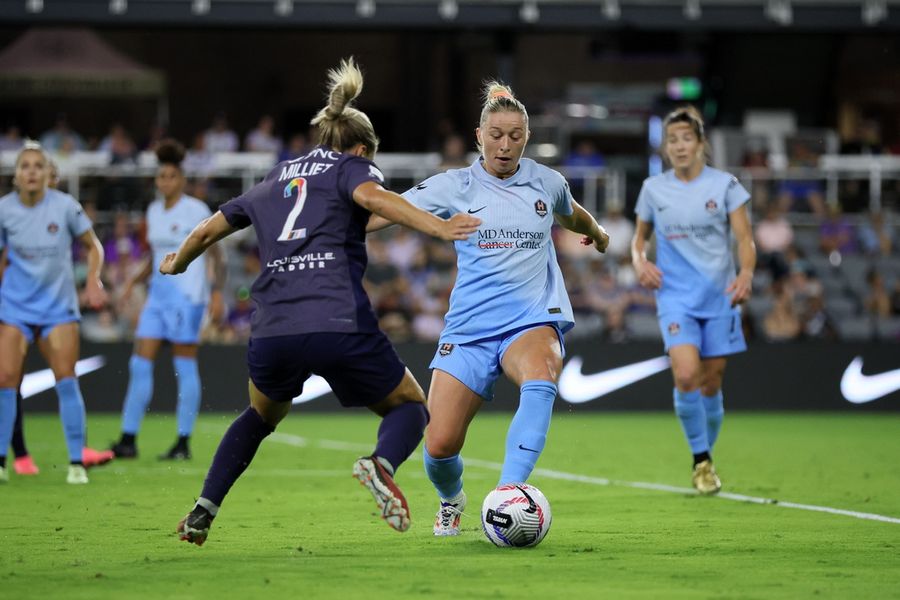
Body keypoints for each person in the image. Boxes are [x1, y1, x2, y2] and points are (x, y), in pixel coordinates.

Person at [172, 58, 480, 545]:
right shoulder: (352, 167)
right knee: (411, 407)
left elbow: (211, 227)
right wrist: (440, 228)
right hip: (337, 320)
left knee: (260, 416)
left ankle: (202, 509)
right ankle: (380, 464)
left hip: (273, 328)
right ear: (360, 148)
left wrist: (179, 262)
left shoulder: (276, 176)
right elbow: (376, 199)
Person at [369, 82, 609, 536]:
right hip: (471, 327)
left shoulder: (547, 182)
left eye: (515, 135)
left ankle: (507, 495)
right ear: (478, 135)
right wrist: (336, 220)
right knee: (438, 445)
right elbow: (385, 211)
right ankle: (451, 499)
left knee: (542, 373)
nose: (505, 144)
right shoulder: (454, 185)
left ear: (527, 137)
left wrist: (598, 235)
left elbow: (573, 213)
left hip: (531, 319)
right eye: (496, 134)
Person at [631, 106, 755, 495]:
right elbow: (638, 241)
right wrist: (639, 262)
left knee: (711, 382)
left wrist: (747, 273)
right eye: (672, 140)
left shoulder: (726, 186)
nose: (680, 146)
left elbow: (745, 239)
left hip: (719, 297)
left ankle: (705, 457)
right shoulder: (653, 189)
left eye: (687, 138)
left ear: (701, 143)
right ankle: (701, 461)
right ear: (665, 148)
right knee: (686, 375)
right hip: (675, 298)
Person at [0, 141, 109, 484]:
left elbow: (94, 247)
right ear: (16, 176)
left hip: (58, 308)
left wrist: (93, 279)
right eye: (25, 166)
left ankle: (76, 461)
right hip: (15, 307)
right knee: (5, 382)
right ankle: (1, 461)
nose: (31, 171)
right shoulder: (4, 210)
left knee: (66, 378)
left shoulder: (65, 207)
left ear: (49, 174)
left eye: (37, 166)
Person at [109, 139, 225, 461]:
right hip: (158, 296)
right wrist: (133, 281)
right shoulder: (153, 211)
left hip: (187, 298)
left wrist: (216, 294)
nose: (165, 182)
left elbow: (216, 254)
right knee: (139, 362)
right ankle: (128, 439)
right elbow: (154, 255)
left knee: (183, 364)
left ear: (181, 179)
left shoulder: (196, 210)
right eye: (161, 177)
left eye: (171, 176)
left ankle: (182, 442)